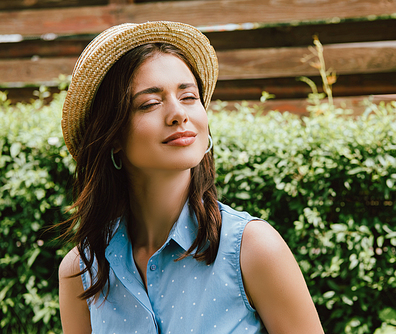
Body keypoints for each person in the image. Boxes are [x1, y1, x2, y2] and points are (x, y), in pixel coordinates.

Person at [58, 21, 324, 334]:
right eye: (150, 103)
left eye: (188, 97)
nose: (178, 114)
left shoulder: (254, 250)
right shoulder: (81, 271)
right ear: (112, 135)